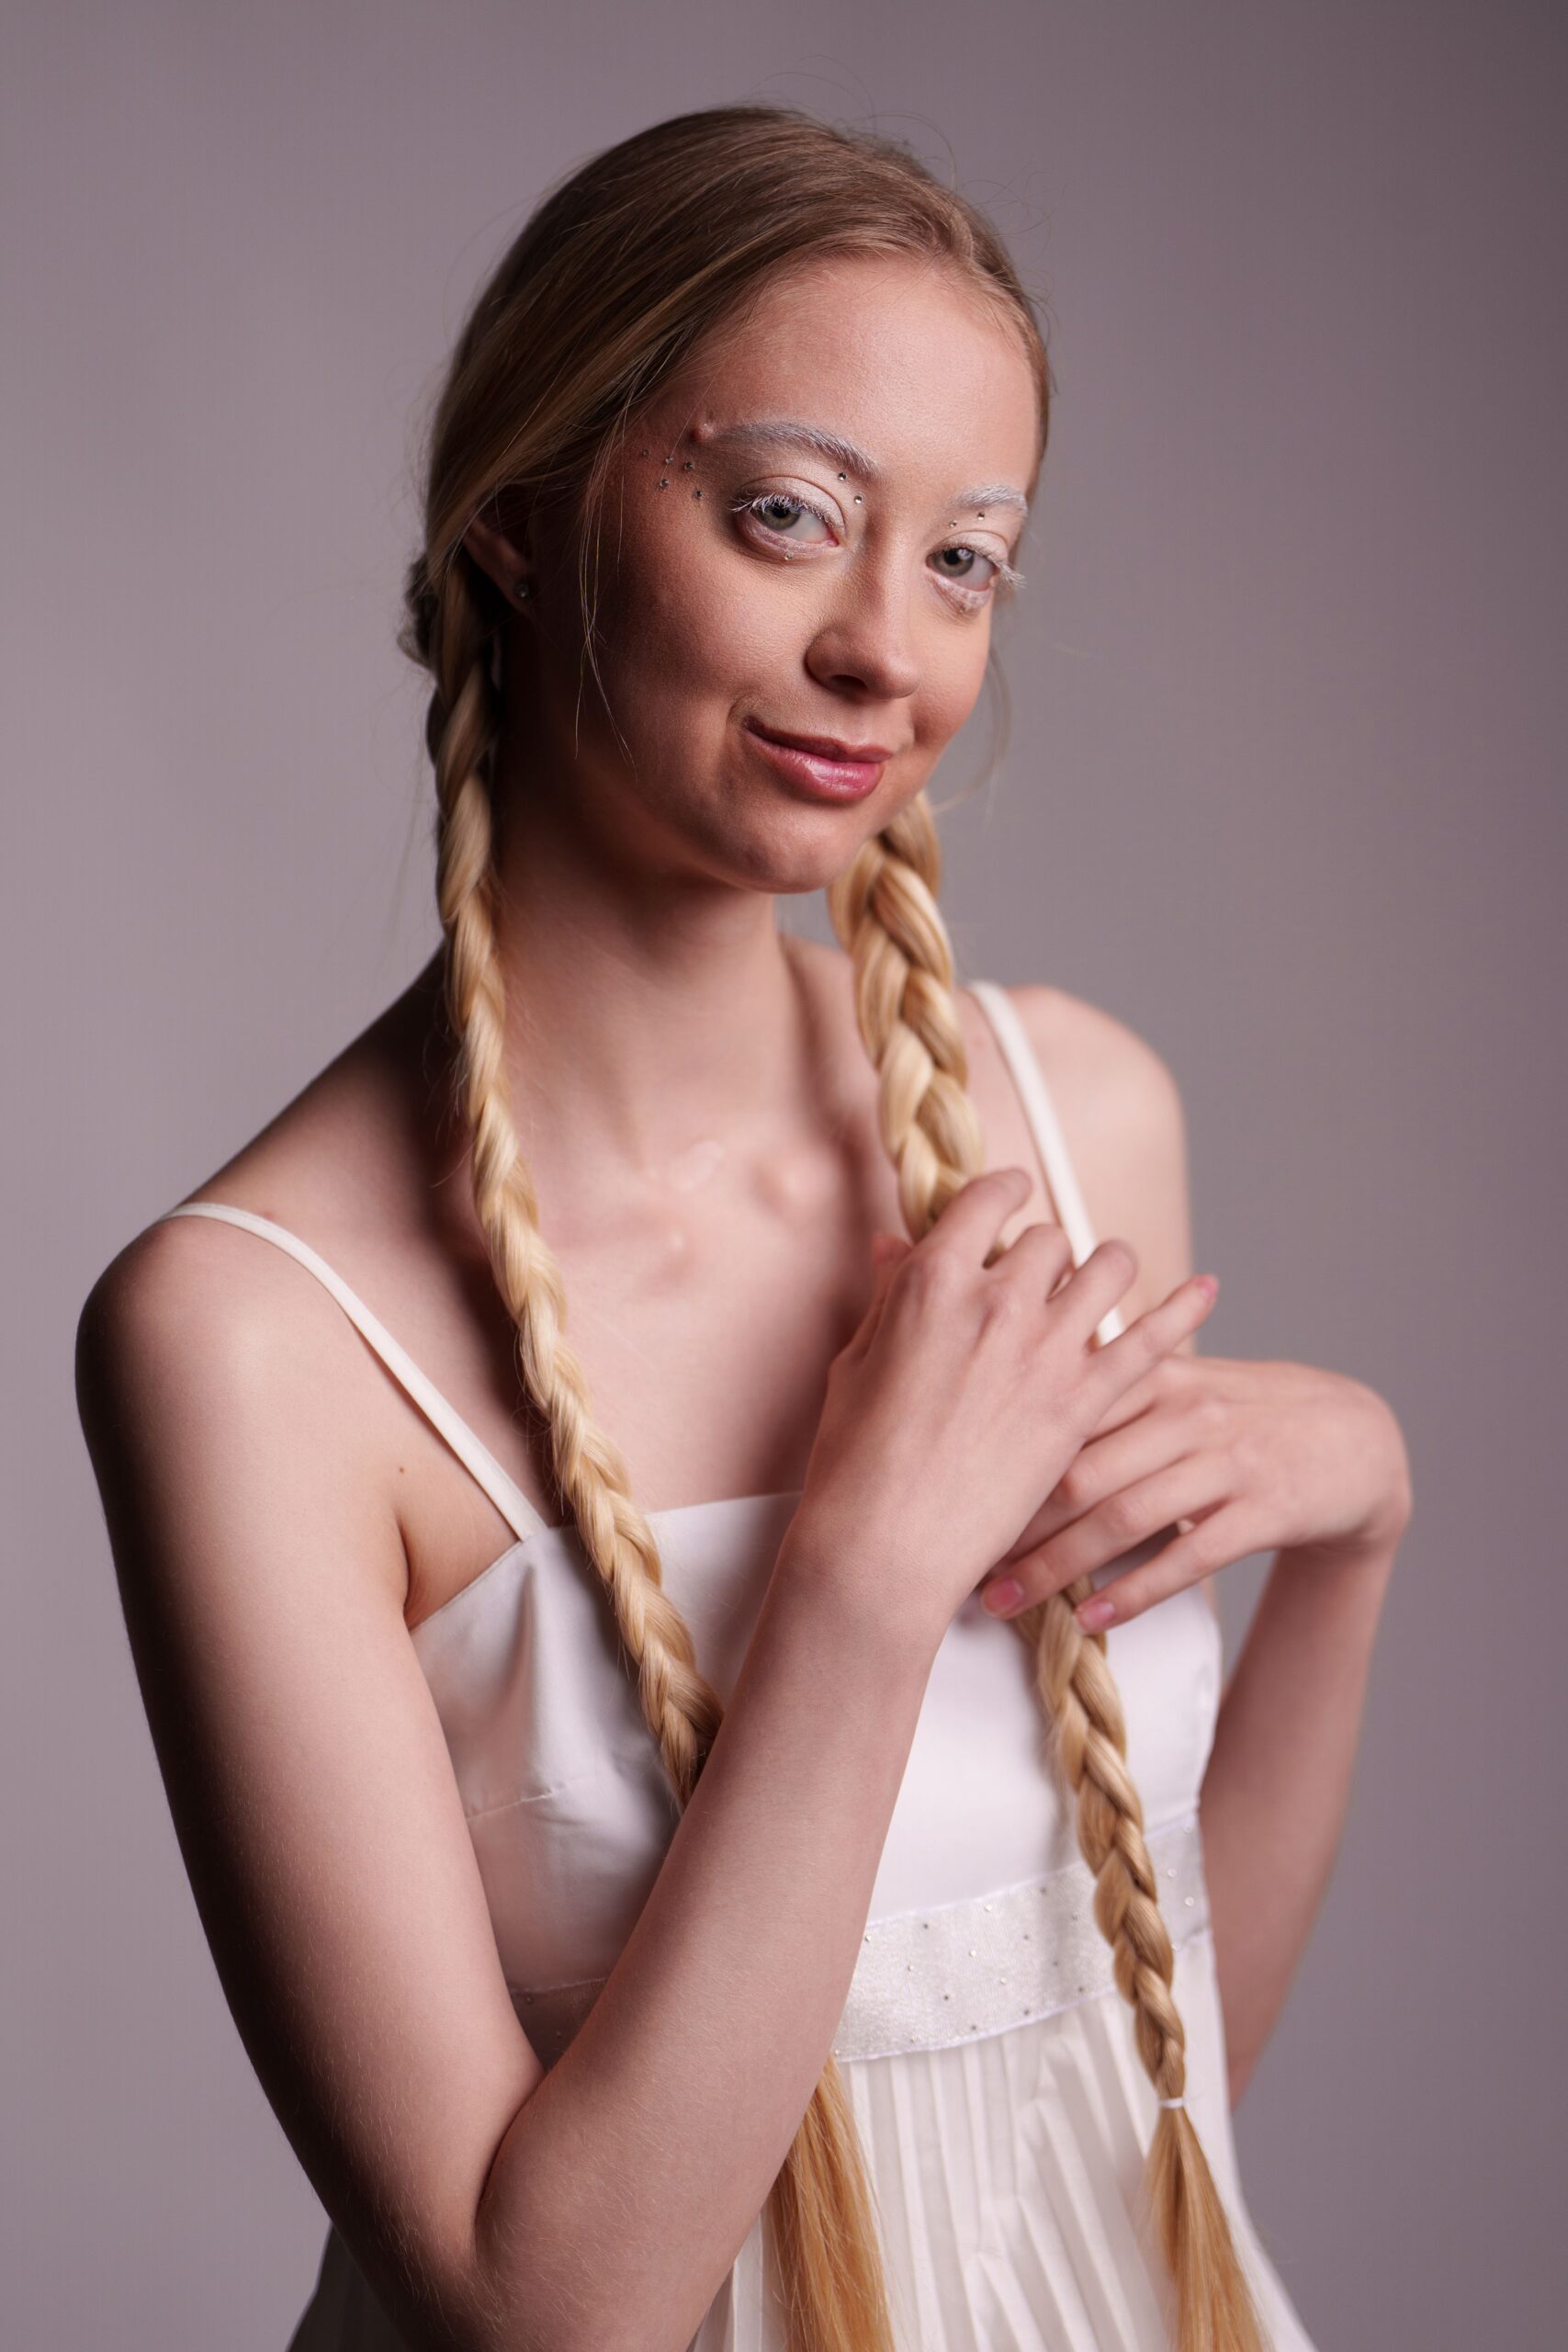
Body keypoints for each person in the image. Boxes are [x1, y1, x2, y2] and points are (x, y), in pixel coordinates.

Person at [74, 104, 1410, 2352]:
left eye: (963, 559)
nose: (885, 648)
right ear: (518, 519)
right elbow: (541, 2306)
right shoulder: (247, 1340)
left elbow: (1144, 2102)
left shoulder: (1073, 1120)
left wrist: (1353, 1526)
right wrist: (861, 1584)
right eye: (786, 515)